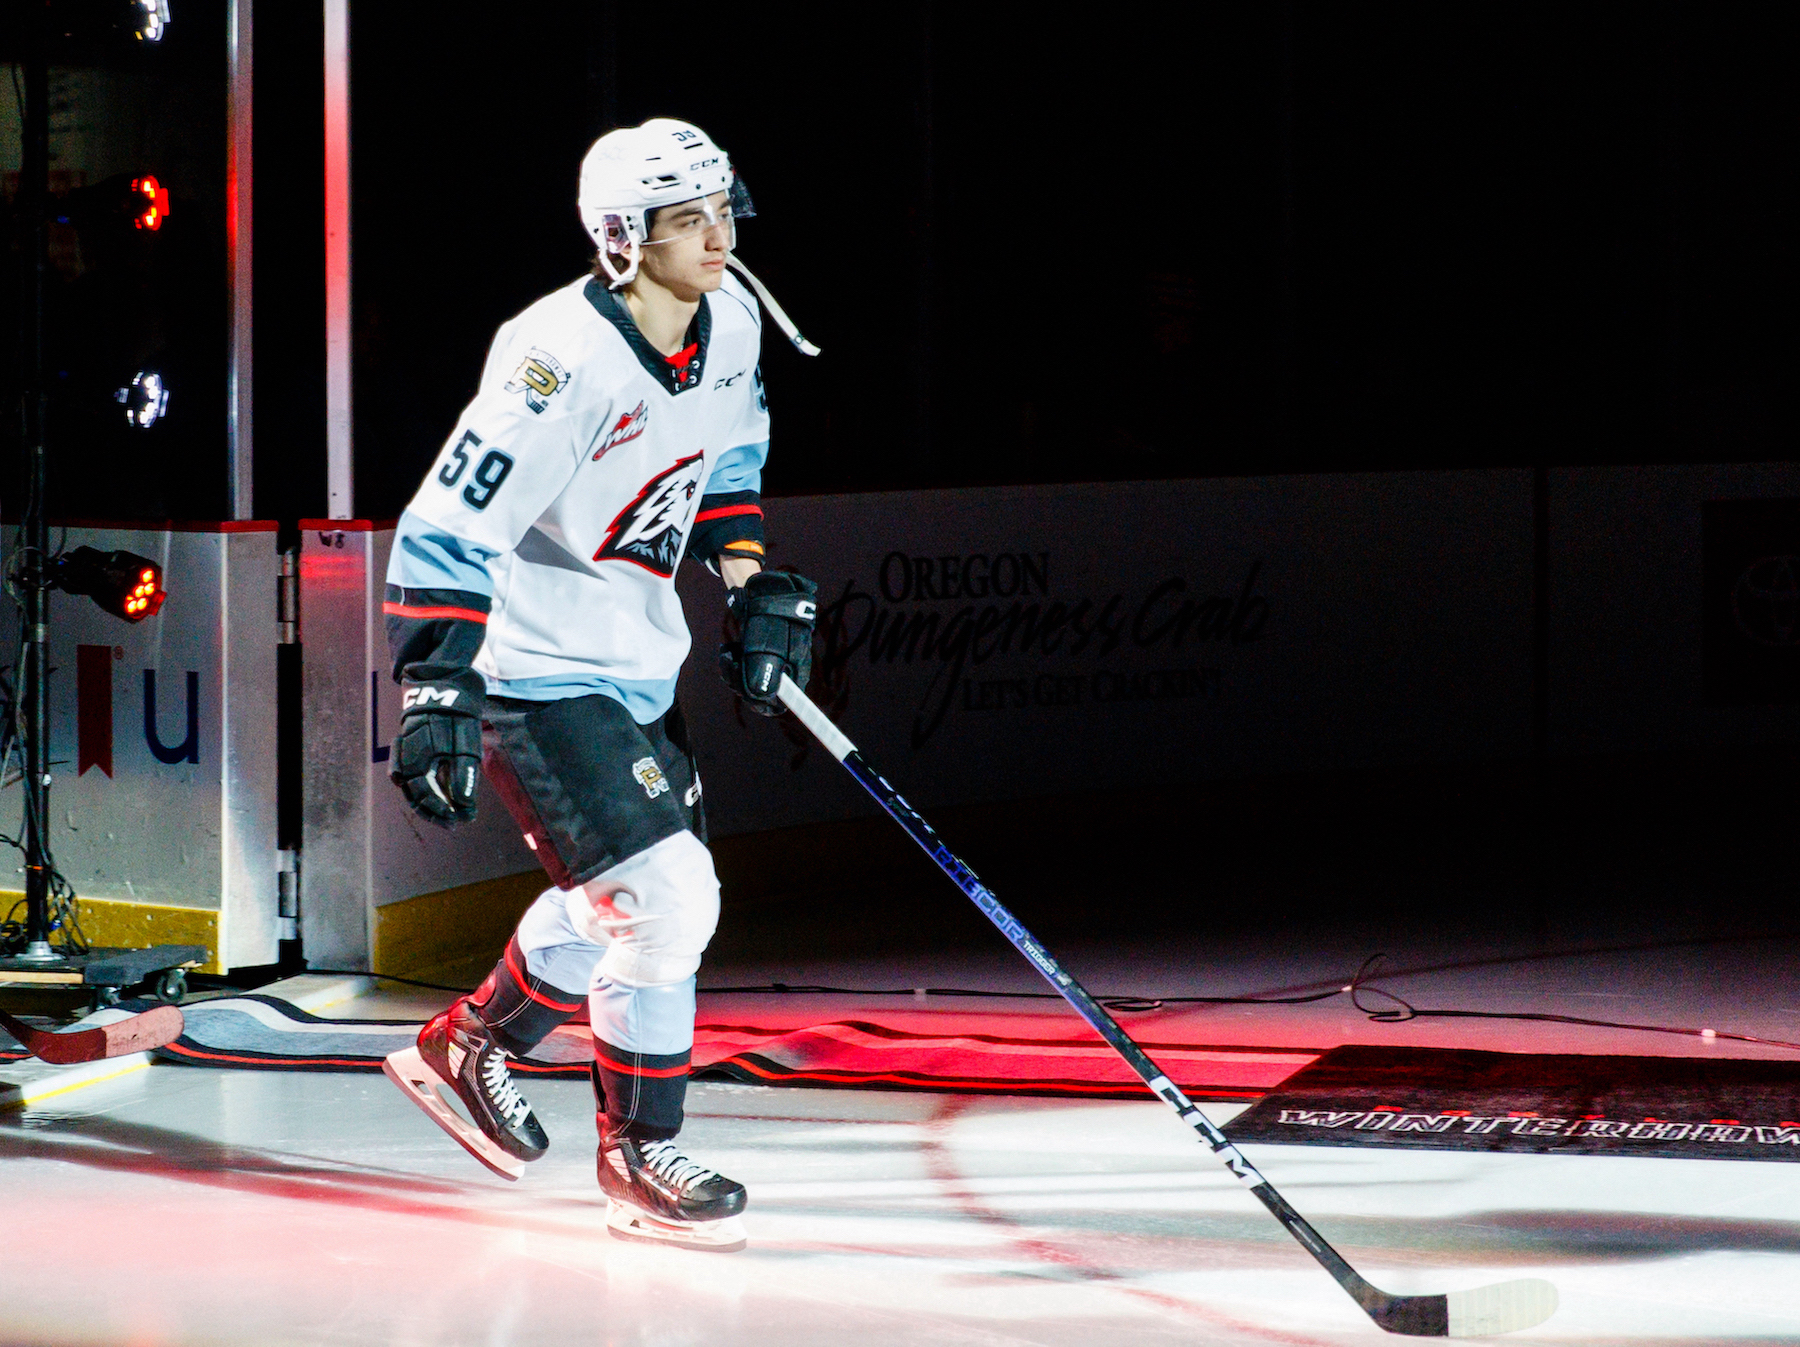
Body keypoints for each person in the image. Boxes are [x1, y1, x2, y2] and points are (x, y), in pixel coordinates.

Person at [379, 117, 819, 1253]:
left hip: (634, 660)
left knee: (619, 902)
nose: (717, 235)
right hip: (532, 668)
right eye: (688, 218)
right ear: (624, 237)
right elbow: (446, 522)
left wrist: (749, 582)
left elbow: (726, 460)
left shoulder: (728, 326)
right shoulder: (552, 359)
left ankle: (468, 1042)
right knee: (670, 902)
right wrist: (436, 688)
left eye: (723, 209)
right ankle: (636, 1151)